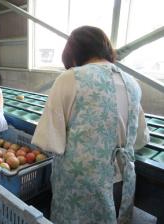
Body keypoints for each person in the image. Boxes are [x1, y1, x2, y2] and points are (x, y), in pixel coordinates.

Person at [31, 26, 150, 224]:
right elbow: (139, 139)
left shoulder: (70, 78)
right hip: (122, 179)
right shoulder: (132, 83)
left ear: (74, 55)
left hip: (81, 186)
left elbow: (49, 140)